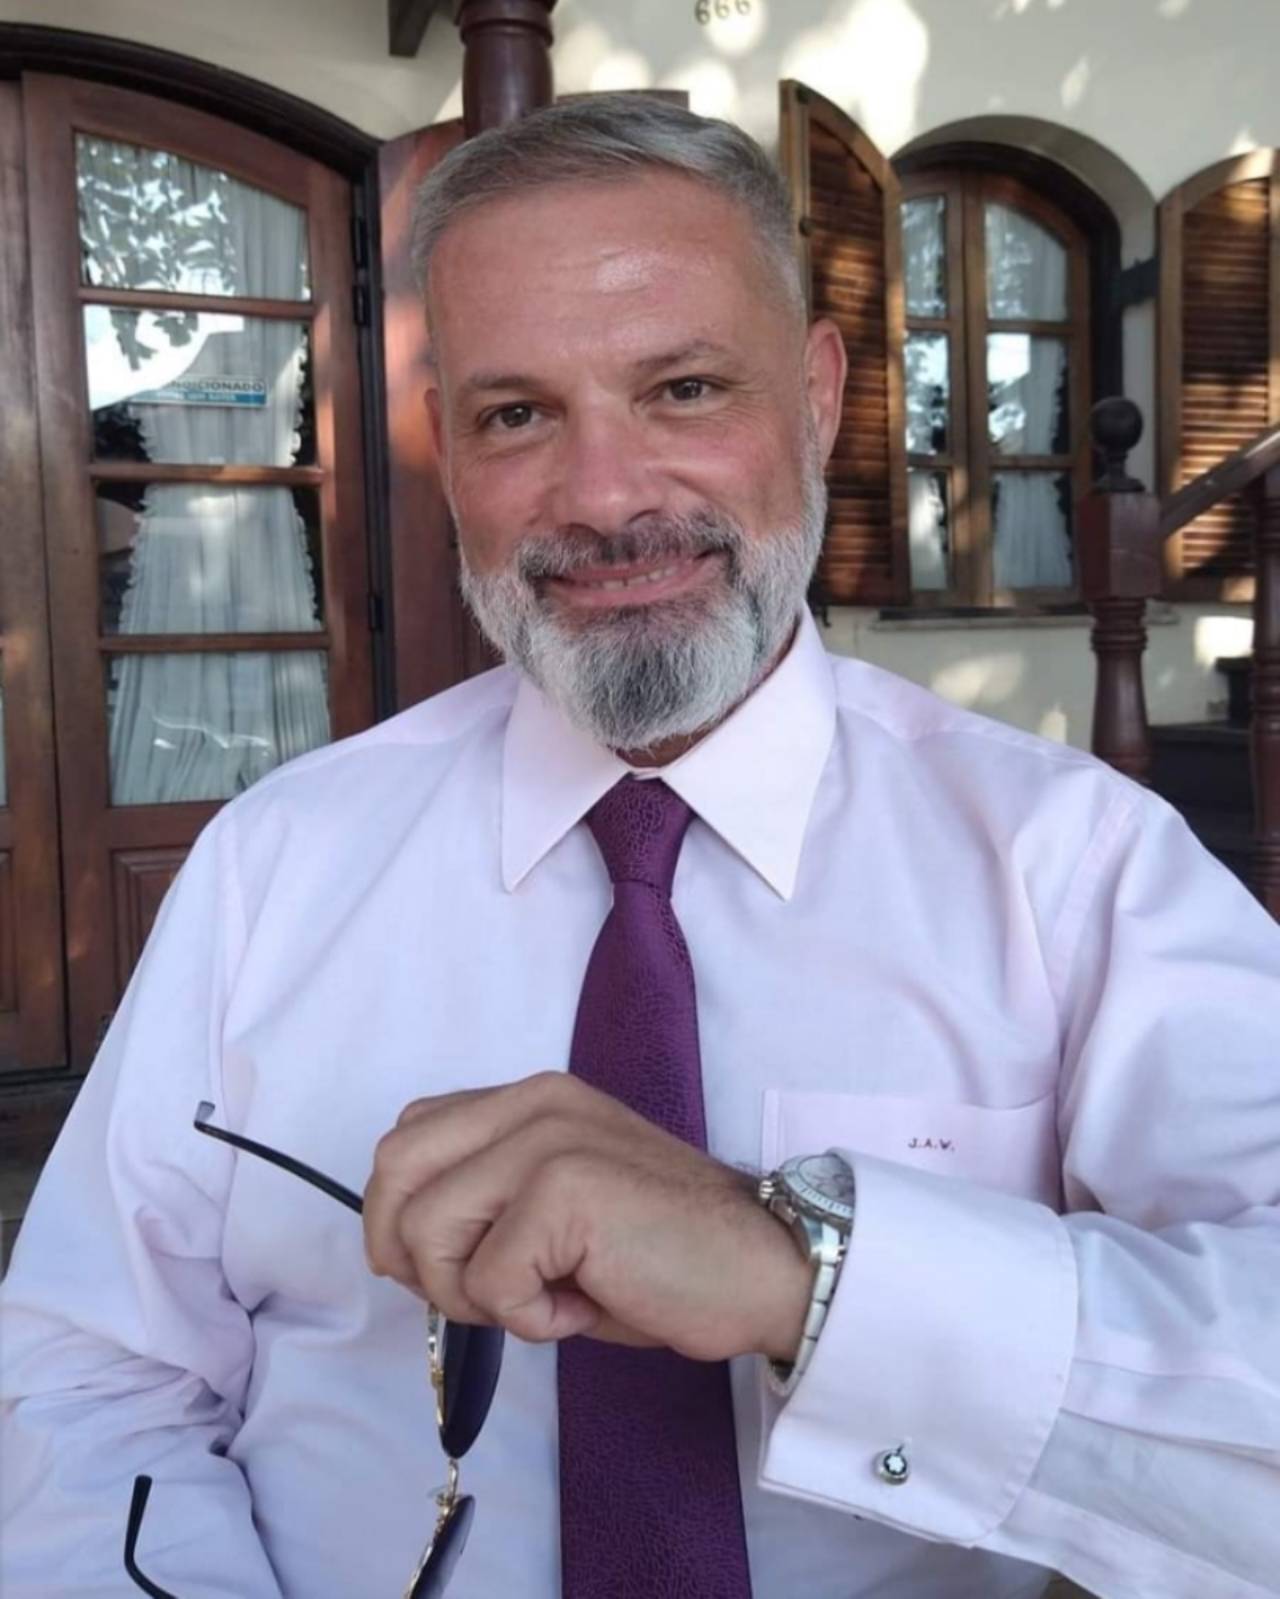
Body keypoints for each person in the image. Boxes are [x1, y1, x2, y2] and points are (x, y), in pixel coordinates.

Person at [2, 95, 1278, 1599]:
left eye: (684, 388)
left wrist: (809, 1275)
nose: (605, 498)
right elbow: (87, 1372)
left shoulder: (1075, 867)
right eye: (517, 414)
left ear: (816, 399)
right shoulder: (272, 866)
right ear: (443, 448)